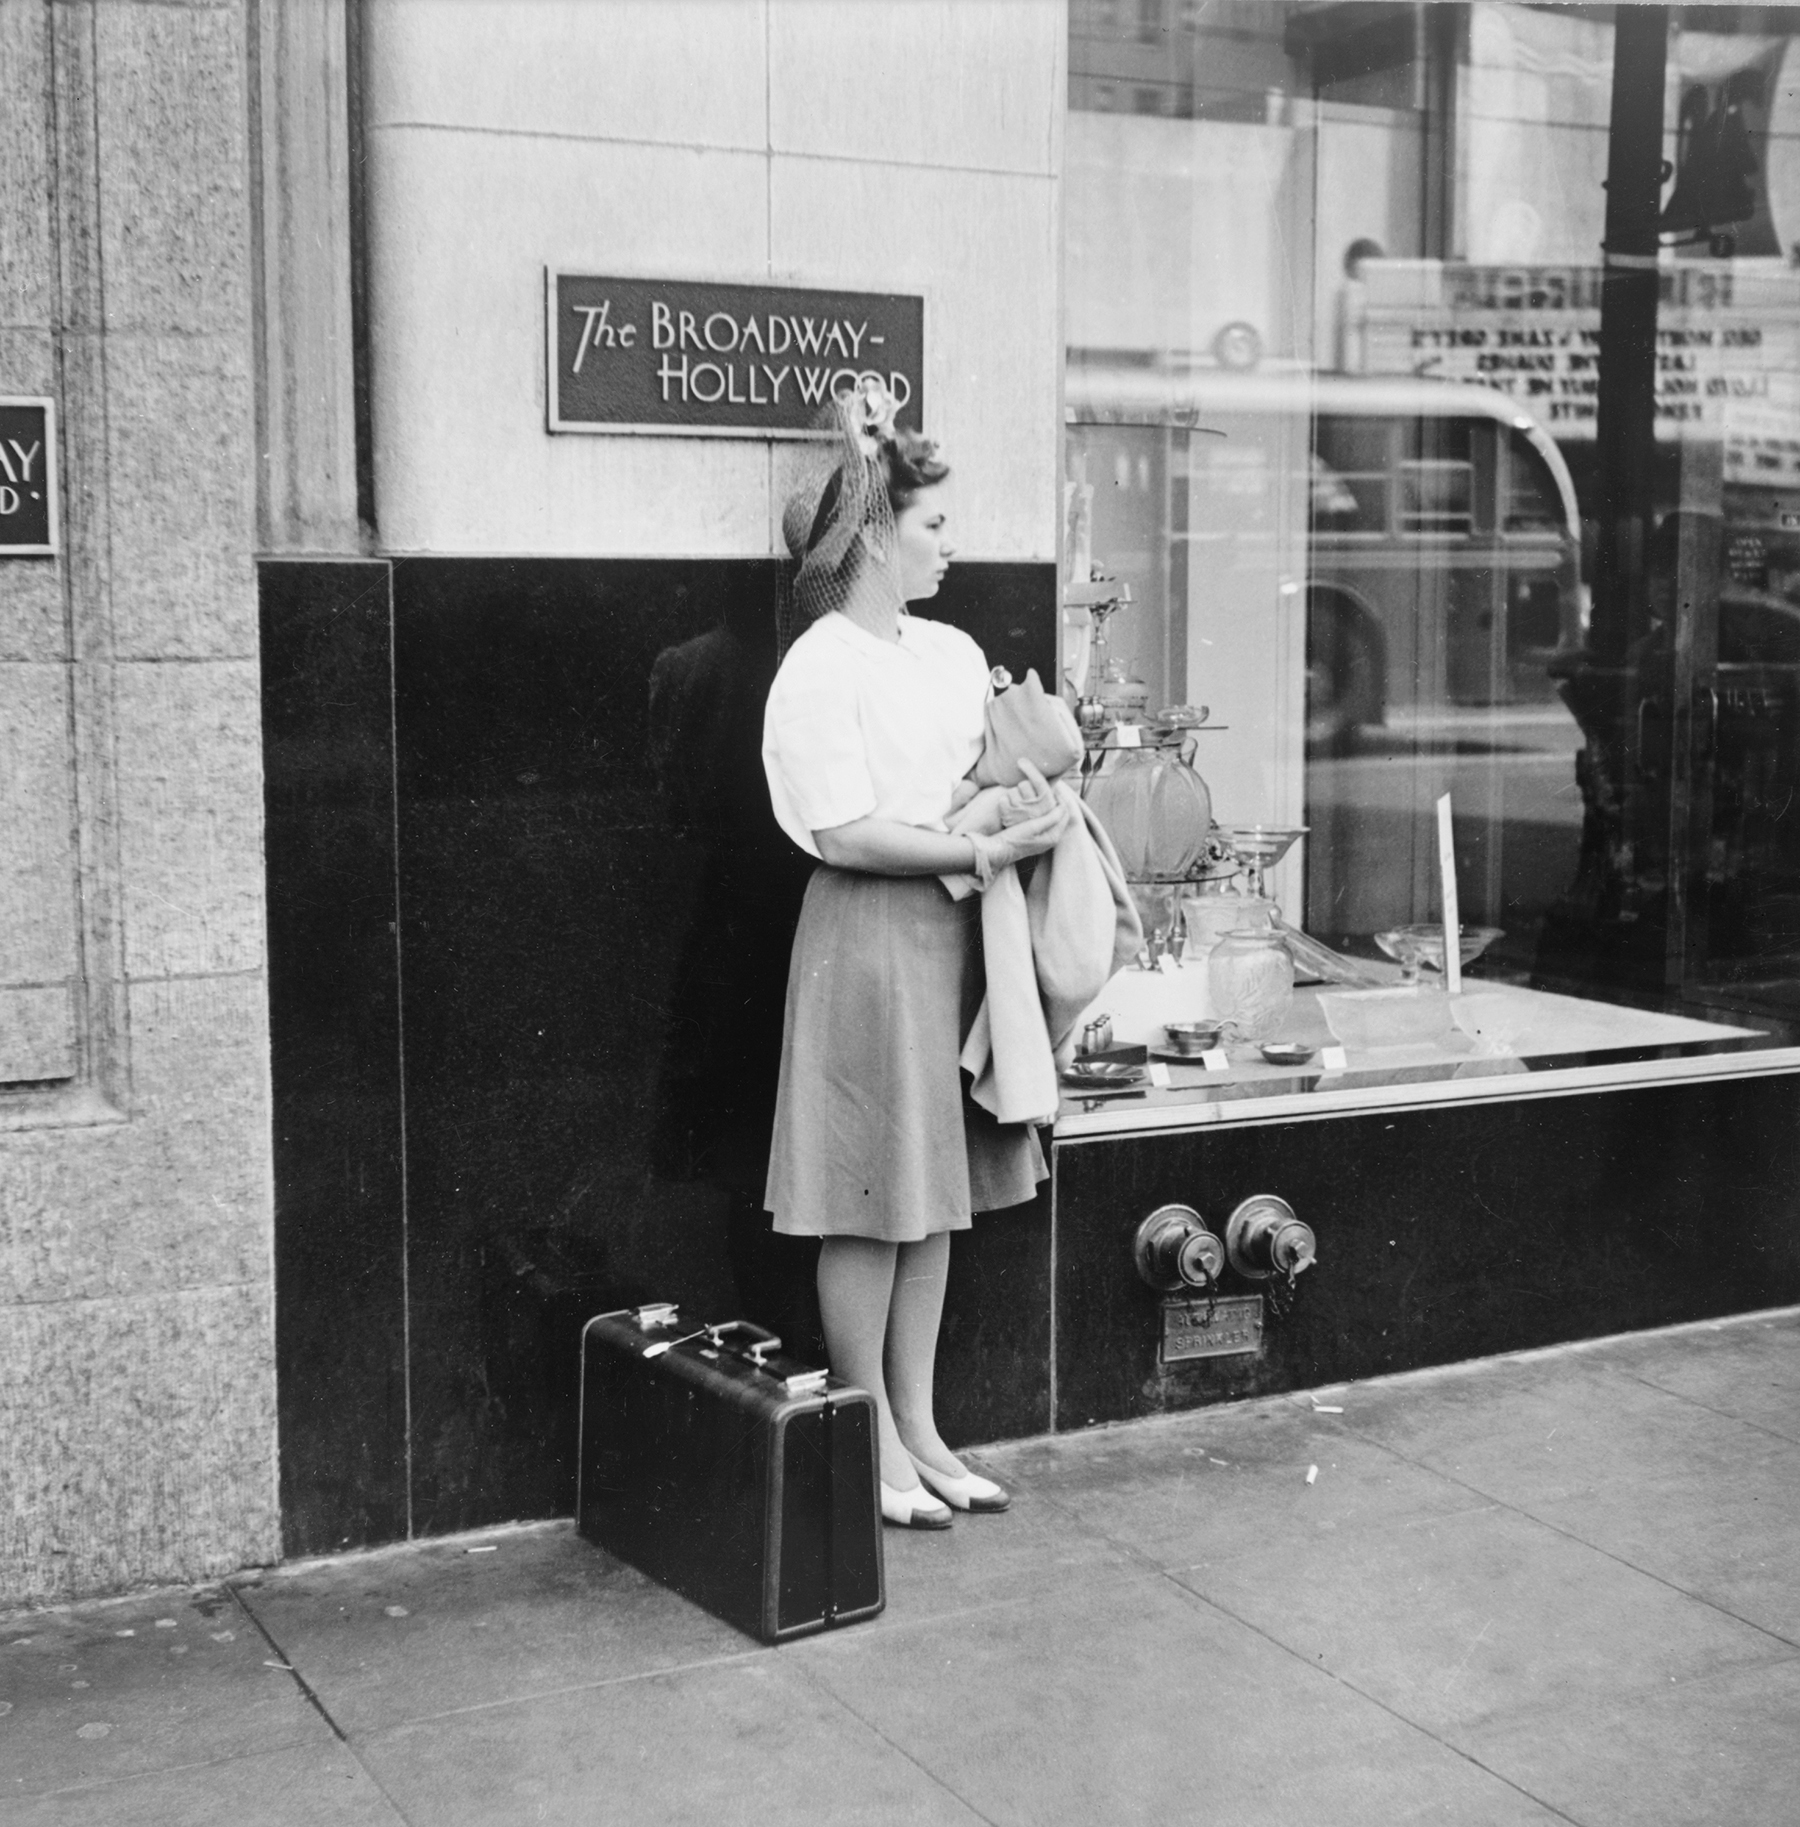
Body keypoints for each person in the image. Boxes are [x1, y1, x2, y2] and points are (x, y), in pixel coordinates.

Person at [761, 383, 1070, 1530]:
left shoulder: (948, 652)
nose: (954, 544)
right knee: (869, 1194)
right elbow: (842, 829)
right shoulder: (819, 667)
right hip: (868, 938)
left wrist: (1016, 813)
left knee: (935, 1196)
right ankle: (868, 1425)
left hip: (951, 929)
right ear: (879, 534)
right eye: (936, 525)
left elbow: (964, 789)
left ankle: (922, 1424)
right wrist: (973, 847)